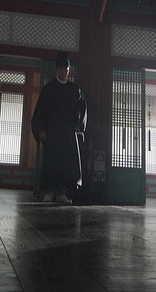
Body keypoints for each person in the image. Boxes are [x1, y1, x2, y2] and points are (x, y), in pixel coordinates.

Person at [31, 51, 87, 204]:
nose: (63, 72)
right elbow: (40, 111)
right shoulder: (48, 89)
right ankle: (49, 192)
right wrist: (40, 130)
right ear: (56, 70)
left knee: (66, 164)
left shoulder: (75, 90)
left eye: (66, 70)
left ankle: (62, 193)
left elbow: (82, 110)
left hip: (68, 134)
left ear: (69, 71)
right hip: (51, 133)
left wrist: (79, 127)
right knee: (51, 162)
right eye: (61, 69)